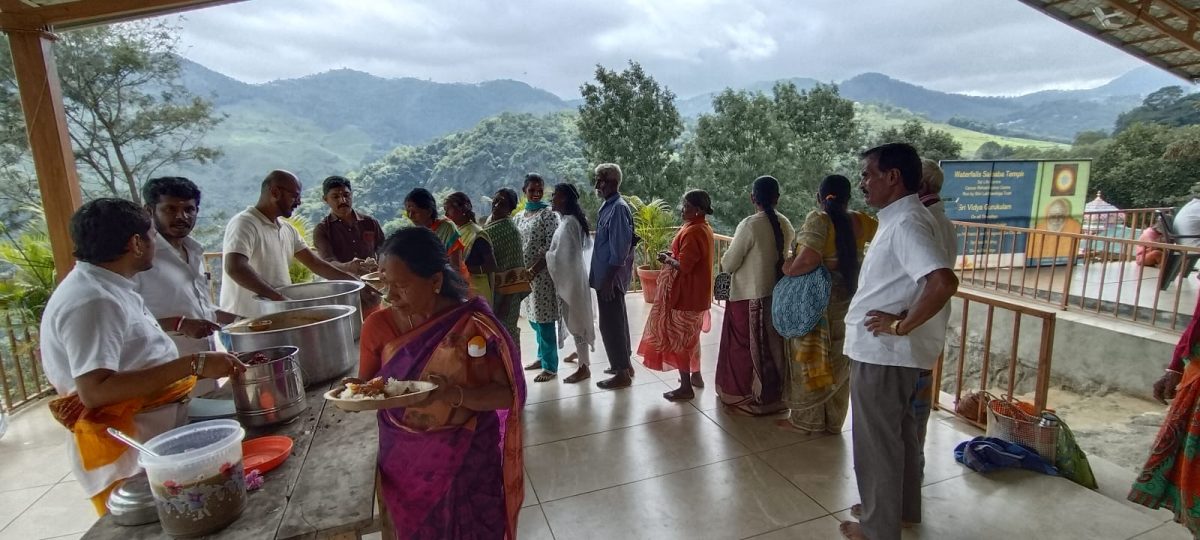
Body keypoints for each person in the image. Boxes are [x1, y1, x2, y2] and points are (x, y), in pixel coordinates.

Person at [40, 198, 245, 515]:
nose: (155, 244)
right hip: (129, 454)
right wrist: (193, 364)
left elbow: (131, 345)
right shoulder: (93, 300)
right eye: (151, 236)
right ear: (136, 243)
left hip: (156, 434)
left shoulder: (111, 286)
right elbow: (94, 391)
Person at [357, 227, 524, 538]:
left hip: (470, 458)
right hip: (406, 461)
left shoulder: (472, 322)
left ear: (435, 281)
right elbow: (367, 385)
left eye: (401, 286)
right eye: (384, 284)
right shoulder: (377, 326)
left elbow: (507, 395)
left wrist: (454, 394)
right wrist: (354, 392)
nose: (390, 296)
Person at [840, 143, 958, 540]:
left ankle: (878, 528)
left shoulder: (907, 222)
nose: (863, 183)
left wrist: (901, 326)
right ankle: (900, 510)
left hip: (884, 353)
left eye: (868, 174)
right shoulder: (904, 218)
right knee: (900, 436)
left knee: (877, 443)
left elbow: (942, 282)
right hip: (892, 355)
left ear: (893, 177)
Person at [779, 175, 876, 433]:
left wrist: (788, 268)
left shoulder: (819, 219)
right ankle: (833, 421)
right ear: (848, 198)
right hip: (849, 296)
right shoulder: (862, 221)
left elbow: (808, 259)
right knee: (838, 356)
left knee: (811, 356)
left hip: (817, 300)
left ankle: (807, 420)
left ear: (819, 197)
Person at [133, 177, 239, 397]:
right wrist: (178, 324)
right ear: (149, 211)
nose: (181, 216)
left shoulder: (193, 251)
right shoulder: (139, 259)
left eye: (189, 209)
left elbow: (201, 308)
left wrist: (240, 321)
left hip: (206, 377)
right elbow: (127, 323)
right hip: (166, 381)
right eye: (170, 209)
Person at [219, 170, 364, 318]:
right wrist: (278, 298)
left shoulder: (287, 229)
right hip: (245, 322)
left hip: (275, 318)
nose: (299, 202)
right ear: (275, 192)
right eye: (295, 196)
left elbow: (316, 264)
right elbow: (235, 268)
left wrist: (358, 285)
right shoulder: (245, 223)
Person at [714, 175, 795, 415]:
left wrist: (723, 265)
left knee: (745, 348)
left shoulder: (750, 224)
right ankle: (775, 395)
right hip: (776, 294)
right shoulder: (785, 223)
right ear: (777, 198)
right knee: (773, 346)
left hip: (748, 297)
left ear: (752, 198)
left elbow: (730, 262)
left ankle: (746, 395)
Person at [638, 190, 715, 401]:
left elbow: (685, 266)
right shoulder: (703, 227)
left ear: (698, 209)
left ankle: (686, 387)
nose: (682, 209)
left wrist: (667, 259)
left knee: (680, 340)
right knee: (691, 338)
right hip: (697, 295)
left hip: (686, 295)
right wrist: (673, 256)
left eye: (686, 206)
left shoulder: (693, 232)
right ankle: (696, 376)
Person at [591, 163, 637, 390]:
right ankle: (624, 365)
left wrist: (608, 280)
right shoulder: (608, 206)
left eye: (600, 181)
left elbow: (619, 249)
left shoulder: (618, 208)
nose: (597, 186)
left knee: (611, 325)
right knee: (616, 320)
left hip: (611, 278)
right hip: (606, 276)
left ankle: (621, 373)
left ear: (612, 182)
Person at [546, 183, 595, 384]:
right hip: (573, 278)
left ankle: (584, 367)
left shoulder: (569, 224)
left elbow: (563, 257)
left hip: (572, 280)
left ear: (564, 198)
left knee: (577, 321)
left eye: (555, 195)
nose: (552, 199)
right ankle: (581, 355)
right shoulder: (568, 221)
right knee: (576, 319)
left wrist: (547, 255)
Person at [517, 173, 562, 382]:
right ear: (524, 191)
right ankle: (541, 356)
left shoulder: (549, 214)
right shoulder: (519, 216)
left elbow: (551, 246)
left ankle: (550, 367)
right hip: (525, 277)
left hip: (542, 277)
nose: (536, 194)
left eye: (539, 190)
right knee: (534, 320)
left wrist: (534, 270)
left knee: (544, 321)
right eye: (531, 190)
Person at [313, 175, 384, 276]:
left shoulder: (370, 223)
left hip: (372, 280)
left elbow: (384, 250)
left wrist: (378, 263)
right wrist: (349, 267)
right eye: (335, 197)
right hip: (344, 283)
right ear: (325, 199)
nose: (343, 200)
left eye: (346, 195)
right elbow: (328, 262)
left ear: (352, 195)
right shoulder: (322, 230)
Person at [484, 188, 527, 351]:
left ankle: (514, 367)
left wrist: (506, 302)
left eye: (502, 204)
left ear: (510, 209)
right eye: (495, 201)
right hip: (489, 291)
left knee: (507, 336)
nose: (496, 206)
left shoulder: (511, 232)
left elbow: (516, 268)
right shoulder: (490, 223)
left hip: (507, 297)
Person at [444, 192, 499, 305]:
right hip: (463, 289)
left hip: (478, 291)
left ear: (462, 209)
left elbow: (491, 265)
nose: (446, 214)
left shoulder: (476, 234)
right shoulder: (456, 233)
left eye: (448, 209)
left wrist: (464, 269)